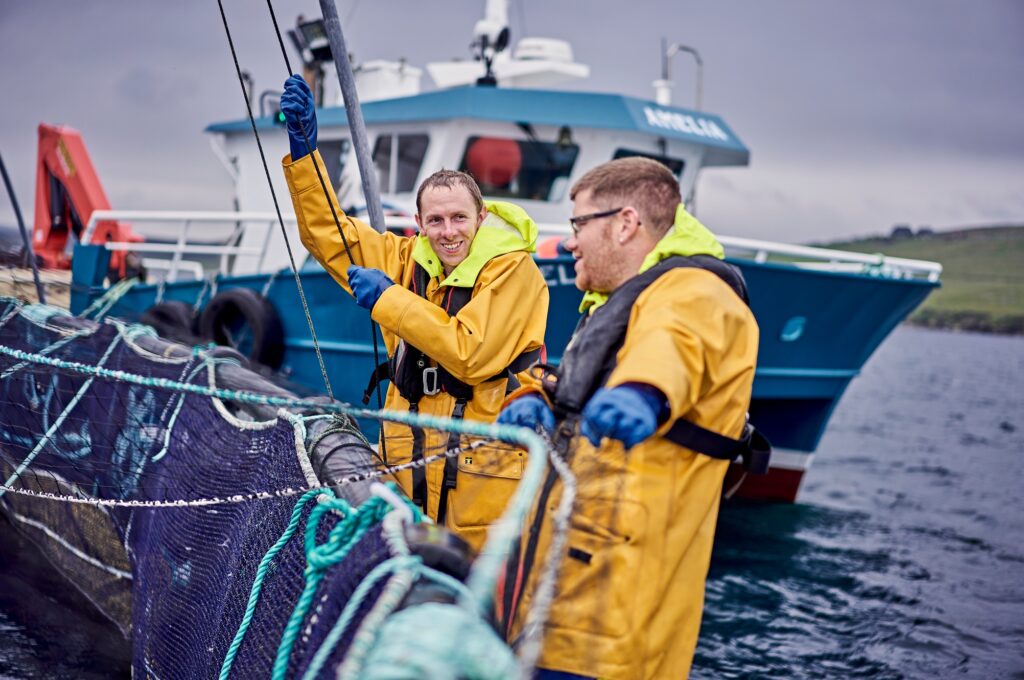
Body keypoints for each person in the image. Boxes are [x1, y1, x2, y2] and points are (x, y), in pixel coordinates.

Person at [497, 156, 761, 679]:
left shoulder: (694, 292)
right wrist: (530, 398)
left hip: (610, 631)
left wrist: (644, 393)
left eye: (578, 224)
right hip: (560, 600)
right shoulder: (619, 302)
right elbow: (575, 380)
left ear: (625, 223)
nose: (570, 242)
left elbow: (675, 346)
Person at [278, 75, 549, 551]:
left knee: (484, 603)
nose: (449, 232)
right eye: (437, 221)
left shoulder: (514, 271)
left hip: (480, 478)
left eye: (460, 218)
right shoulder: (405, 259)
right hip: (404, 465)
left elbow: (471, 353)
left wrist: (388, 299)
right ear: (420, 224)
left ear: (481, 219)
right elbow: (329, 236)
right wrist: (305, 159)